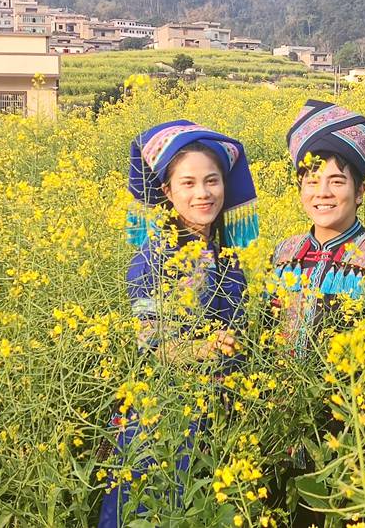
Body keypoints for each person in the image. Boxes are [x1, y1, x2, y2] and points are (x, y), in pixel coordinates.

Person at [270, 99, 365, 525]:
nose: (322, 192)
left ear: (360, 191)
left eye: (337, 181)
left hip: (352, 435)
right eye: (311, 180)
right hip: (283, 425)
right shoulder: (282, 254)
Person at [98, 120, 259, 527]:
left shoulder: (230, 255)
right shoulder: (152, 258)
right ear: (168, 193)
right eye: (188, 184)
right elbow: (152, 345)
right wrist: (204, 350)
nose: (202, 193)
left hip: (222, 417)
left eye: (211, 181)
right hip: (165, 419)